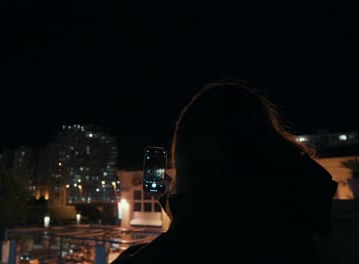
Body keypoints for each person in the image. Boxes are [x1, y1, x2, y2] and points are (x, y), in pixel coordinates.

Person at [112, 80, 338, 264]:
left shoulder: (202, 241)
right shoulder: (296, 218)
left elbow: (195, 238)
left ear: (199, 155)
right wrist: (170, 201)